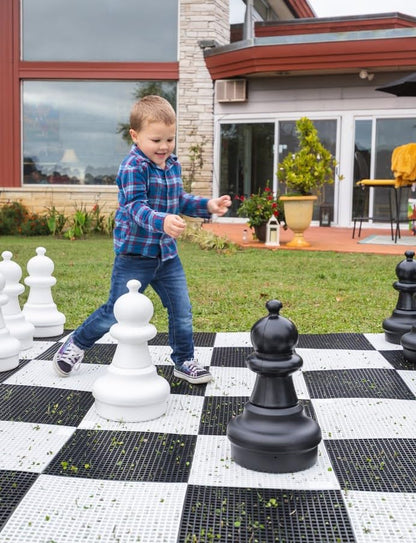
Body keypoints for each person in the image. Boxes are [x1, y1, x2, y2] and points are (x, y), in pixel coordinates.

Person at [53, 95, 231, 384]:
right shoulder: (132, 167)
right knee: (115, 311)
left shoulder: (171, 164)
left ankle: (184, 360)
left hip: (167, 257)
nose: (164, 147)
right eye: (156, 140)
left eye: (169, 140)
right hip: (134, 256)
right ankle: (76, 345)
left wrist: (207, 206)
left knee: (181, 311)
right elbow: (135, 207)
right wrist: (162, 221)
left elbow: (179, 199)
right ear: (135, 136)